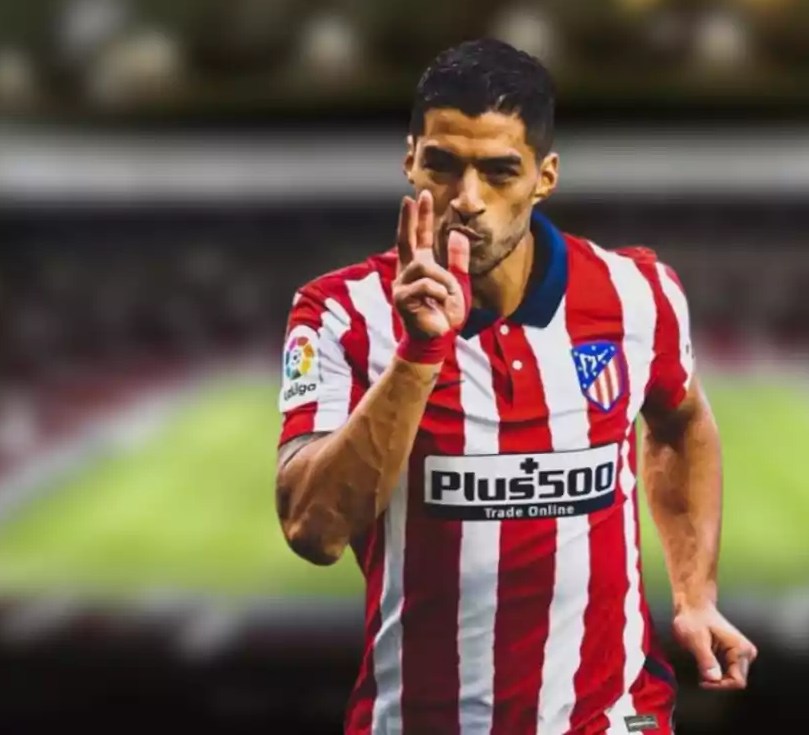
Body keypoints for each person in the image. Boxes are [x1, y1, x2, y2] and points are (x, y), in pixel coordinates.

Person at [275, 38, 757, 735]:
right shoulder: (341, 313)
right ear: (411, 159)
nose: (467, 200)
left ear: (545, 176)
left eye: (500, 171)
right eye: (442, 165)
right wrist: (419, 354)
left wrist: (695, 594)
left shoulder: (636, 294)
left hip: (611, 719)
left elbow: (681, 421)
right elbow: (313, 531)